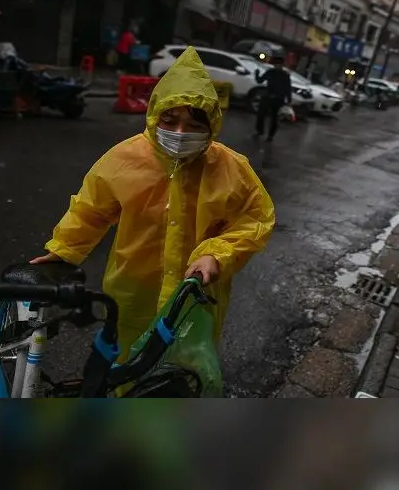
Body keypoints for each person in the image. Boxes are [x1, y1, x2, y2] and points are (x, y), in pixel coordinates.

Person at [30, 47, 275, 360]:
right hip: (133, 288)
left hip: (196, 289)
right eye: (170, 121)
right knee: (124, 361)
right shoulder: (124, 158)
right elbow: (90, 210)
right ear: (154, 116)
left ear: (211, 124)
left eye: (194, 125)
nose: (180, 133)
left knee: (183, 368)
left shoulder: (232, 168)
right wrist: (63, 251)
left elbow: (255, 221)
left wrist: (217, 255)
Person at [253, 55, 292, 141]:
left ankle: (270, 135)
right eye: (276, 64)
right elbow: (260, 80)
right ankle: (260, 131)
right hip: (268, 96)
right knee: (260, 114)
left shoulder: (285, 75)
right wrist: (256, 74)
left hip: (278, 99)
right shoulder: (270, 72)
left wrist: (289, 100)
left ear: (282, 65)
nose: (277, 66)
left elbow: (288, 88)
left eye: (279, 64)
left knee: (274, 118)